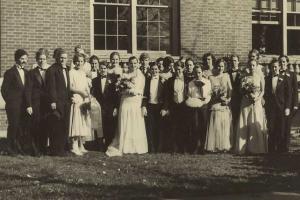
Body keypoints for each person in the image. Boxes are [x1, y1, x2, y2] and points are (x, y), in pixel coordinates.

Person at [106, 56, 148, 156]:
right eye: (131, 63)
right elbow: (120, 89)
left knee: (135, 123)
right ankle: (124, 145)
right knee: (125, 122)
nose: (133, 65)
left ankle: (135, 146)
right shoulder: (124, 75)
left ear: (138, 64)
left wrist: (134, 91)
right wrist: (125, 89)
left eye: (135, 63)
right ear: (128, 64)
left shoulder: (141, 75)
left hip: (136, 101)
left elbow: (142, 90)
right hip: (125, 101)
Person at [235, 60, 268, 154]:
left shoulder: (260, 75)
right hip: (246, 102)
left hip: (256, 101)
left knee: (255, 121)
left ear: (256, 66)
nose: (252, 67)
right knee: (246, 121)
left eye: (253, 65)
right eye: (250, 65)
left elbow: (262, 91)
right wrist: (247, 94)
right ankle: (243, 148)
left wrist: (257, 98)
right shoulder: (244, 76)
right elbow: (241, 90)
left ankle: (256, 148)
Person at [1, 49, 30, 155]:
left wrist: (28, 104)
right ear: (17, 59)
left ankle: (18, 147)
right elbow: (4, 90)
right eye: (22, 58)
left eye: (26, 59)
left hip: (23, 106)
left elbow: (28, 90)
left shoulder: (27, 73)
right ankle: (10, 148)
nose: (24, 61)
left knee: (21, 127)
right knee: (13, 126)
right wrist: (11, 101)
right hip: (13, 106)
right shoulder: (9, 72)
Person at [25, 48, 51, 155]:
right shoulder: (32, 73)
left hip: (46, 103)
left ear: (47, 59)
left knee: (45, 125)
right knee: (35, 125)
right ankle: (35, 149)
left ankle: (43, 148)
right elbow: (28, 90)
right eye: (39, 59)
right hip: (35, 103)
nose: (41, 61)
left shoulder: (50, 71)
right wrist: (29, 105)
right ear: (36, 59)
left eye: (43, 59)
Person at [45, 49, 71, 156]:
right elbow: (51, 87)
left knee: (65, 124)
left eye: (65, 58)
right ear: (57, 58)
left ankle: (63, 148)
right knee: (57, 126)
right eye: (61, 58)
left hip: (66, 102)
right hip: (57, 102)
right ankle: (55, 150)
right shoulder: (52, 70)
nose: (63, 60)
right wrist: (53, 101)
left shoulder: (68, 69)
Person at [205, 58, 232, 152]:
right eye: (219, 66)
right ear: (216, 67)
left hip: (224, 104)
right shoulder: (211, 77)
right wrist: (215, 96)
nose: (220, 68)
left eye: (222, 66)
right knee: (216, 126)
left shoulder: (227, 76)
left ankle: (224, 146)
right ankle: (215, 146)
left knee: (223, 125)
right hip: (215, 103)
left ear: (224, 67)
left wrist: (228, 100)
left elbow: (230, 90)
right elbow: (208, 91)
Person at [265, 60, 291, 153]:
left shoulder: (284, 78)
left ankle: (280, 149)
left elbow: (288, 94)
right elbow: (266, 94)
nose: (274, 69)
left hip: (281, 107)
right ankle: (271, 148)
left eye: (276, 67)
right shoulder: (267, 79)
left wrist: (287, 107)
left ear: (279, 67)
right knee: (271, 128)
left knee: (281, 128)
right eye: (272, 67)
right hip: (271, 108)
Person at [162, 61, 188, 153]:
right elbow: (167, 96)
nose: (177, 71)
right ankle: (174, 148)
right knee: (173, 127)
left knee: (184, 127)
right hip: (174, 106)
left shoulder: (187, 80)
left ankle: (183, 148)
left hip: (184, 106)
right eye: (176, 69)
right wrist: (165, 108)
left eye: (179, 69)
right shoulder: (170, 80)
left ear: (183, 69)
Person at [68, 53, 92, 155]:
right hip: (76, 97)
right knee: (76, 122)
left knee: (82, 122)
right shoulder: (71, 72)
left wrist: (88, 95)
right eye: (77, 61)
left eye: (81, 61)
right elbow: (71, 87)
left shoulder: (83, 73)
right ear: (74, 61)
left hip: (83, 99)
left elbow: (86, 86)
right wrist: (81, 92)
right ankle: (74, 145)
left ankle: (80, 144)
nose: (79, 63)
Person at [92, 62, 119, 152]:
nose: (103, 70)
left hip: (110, 106)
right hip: (99, 107)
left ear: (107, 69)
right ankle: (98, 145)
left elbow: (116, 95)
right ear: (99, 69)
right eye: (101, 68)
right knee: (99, 126)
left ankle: (108, 144)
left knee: (109, 126)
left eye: (104, 68)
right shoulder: (95, 80)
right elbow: (93, 94)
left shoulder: (113, 79)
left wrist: (115, 107)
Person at [185, 64, 211, 154]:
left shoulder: (207, 82)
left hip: (204, 105)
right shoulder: (191, 83)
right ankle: (195, 146)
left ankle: (202, 147)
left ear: (202, 72)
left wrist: (204, 102)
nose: (197, 74)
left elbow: (209, 95)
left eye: (199, 72)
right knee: (195, 126)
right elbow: (188, 95)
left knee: (203, 126)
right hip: (194, 106)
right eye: (196, 72)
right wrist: (192, 101)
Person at [142, 63, 165, 153]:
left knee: (159, 127)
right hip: (150, 106)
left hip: (160, 106)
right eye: (152, 69)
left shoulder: (163, 81)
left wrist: (165, 108)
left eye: (156, 69)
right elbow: (145, 95)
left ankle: (159, 147)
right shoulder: (147, 81)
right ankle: (151, 148)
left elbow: (166, 96)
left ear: (159, 70)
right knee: (150, 128)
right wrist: (144, 106)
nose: (154, 71)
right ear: (150, 70)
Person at [279, 55, 298, 152]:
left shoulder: (292, 74)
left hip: (289, 105)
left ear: (287, 63)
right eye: (281, 62)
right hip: (279, 105)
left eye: (284, 62)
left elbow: (295, 91)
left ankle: (285, 147)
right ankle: (279, 146)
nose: (282, 64)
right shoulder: (277, 74)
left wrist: (295, 105)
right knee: (280, 126)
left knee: (287, 126)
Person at [228, 55, 242, 147]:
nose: (234, 62)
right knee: (230, 120)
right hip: (229, 99)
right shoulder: (227, 73)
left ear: (238, 62)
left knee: (238, 119)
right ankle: (230, 141)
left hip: (239, 99)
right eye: (232, 61)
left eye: (235, 60)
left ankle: (237, 142)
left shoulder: (242, 72)